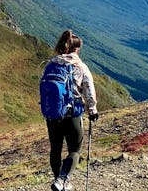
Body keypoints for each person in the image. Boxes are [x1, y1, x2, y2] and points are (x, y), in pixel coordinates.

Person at [42, 30, 98, 191]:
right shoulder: (80, 66)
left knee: (56, 149)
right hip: (72, 113)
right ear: (76, 49)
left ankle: (59, 181)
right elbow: (89, 90)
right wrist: (92, 110)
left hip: (52, 113)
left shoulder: (50, 64)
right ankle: (62, 179)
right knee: (75, 149)